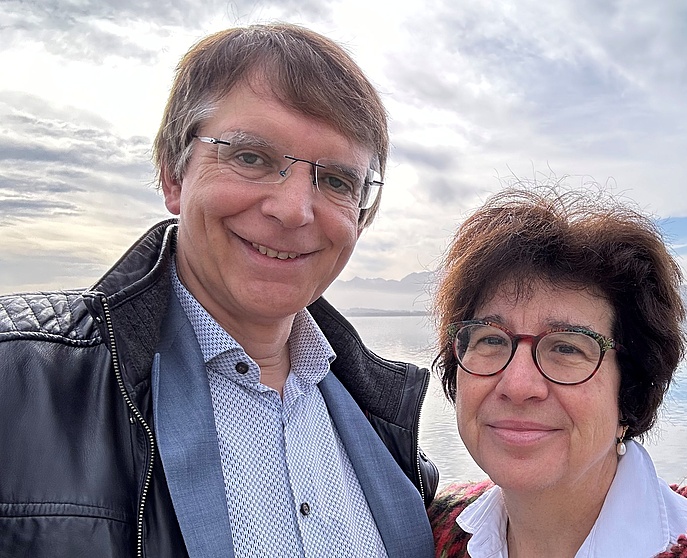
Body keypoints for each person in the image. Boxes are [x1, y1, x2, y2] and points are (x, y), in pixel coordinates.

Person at [0, 24, 436, 557]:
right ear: (173, 175)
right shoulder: (21, 384)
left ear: (361, 217)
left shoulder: (389, 436)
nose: (294, 209)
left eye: (337, 181)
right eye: (251, 157)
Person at [427, 187, 687, 558]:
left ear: (629, 392)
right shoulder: (433, 526)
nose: (518, 385)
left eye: (567, 347)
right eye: (490, 341)